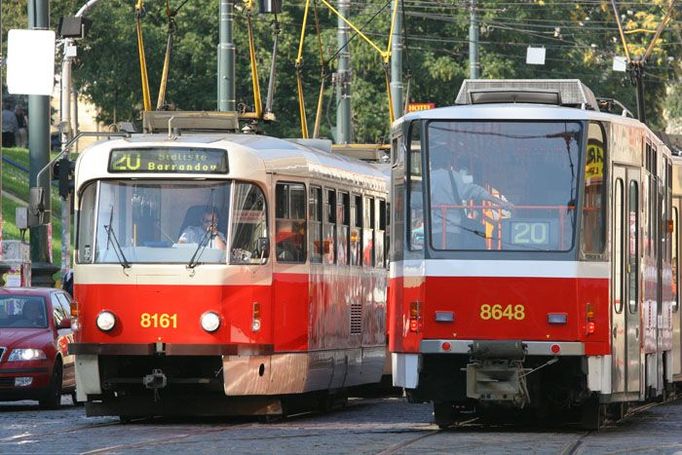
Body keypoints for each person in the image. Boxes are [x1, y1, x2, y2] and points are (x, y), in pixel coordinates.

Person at [430, 151, 512, 249]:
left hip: (432, 231)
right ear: (447, 162)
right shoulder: (453, 176)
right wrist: (500, 202)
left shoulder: (429, 177)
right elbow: (474, 191)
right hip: (453, 229)